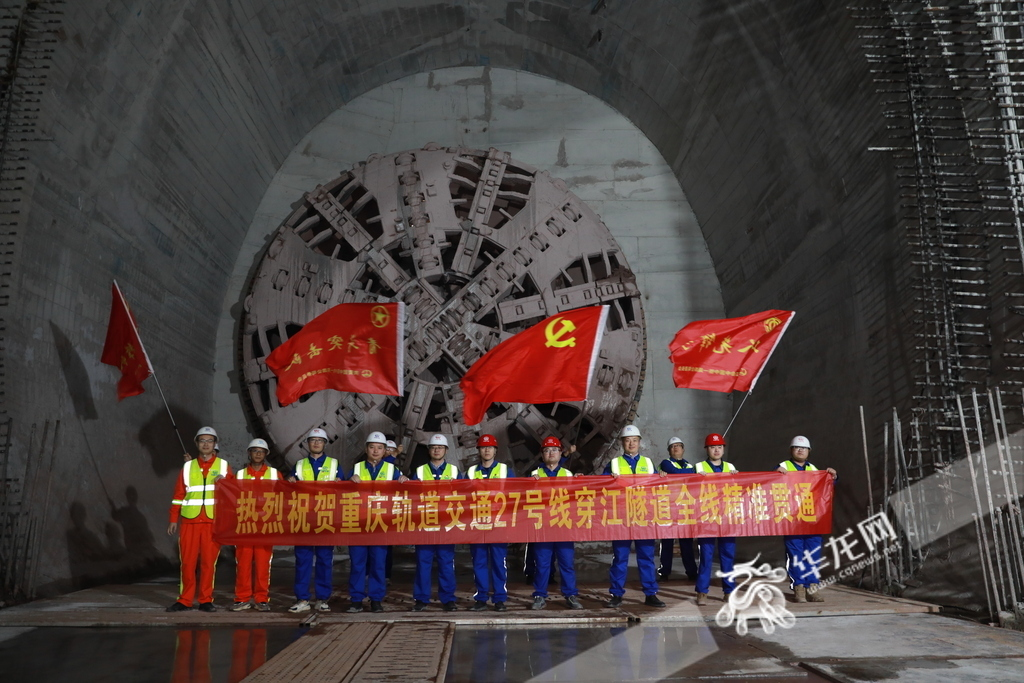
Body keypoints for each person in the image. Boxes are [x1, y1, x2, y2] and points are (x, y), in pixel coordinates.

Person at [166, 426, 231, 612]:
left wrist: (224, 482)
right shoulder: (187, 467)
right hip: (190, 522)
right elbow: (178, 495)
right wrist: (173, 519)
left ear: (215, 444)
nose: (206, 444)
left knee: (208, 563)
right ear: (197, 444)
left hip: (212, 522)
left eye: (209, 441)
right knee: (187, 562)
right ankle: (185, 600)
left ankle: (205, 600)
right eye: (202, 440)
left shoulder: (224, 466)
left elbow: (233, 494)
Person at [603, 425, 666, 608]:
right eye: (627, 440)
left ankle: (650, 594)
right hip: (621, 516)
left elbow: (656, 487)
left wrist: (661, 476)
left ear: (639, 442)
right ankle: (616, 594)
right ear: (622, 443)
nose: (631, 443)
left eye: (634, 440)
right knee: (620, 557)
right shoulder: (613, 464)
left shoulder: (648, 463)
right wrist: (609, 479)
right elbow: (601, 487)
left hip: (643, 516)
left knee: (646, 557)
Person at [346, 431, 408, 613]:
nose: (375, 450)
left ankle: (376, 599)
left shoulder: (392, 470)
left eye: (379, 448)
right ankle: (356, 600)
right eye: (372, 447)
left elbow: (405, 489)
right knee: (357, 564)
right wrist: (348, 481)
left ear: (384, 451)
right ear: (366, 449)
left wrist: (404, 480)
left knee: (378, 564)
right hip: (358, 524)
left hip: (381, 525)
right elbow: (339, 490)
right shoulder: (356, 469)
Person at [777, 435, 837, 603]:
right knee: (795, 555)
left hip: (812, 519)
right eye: (797, 447)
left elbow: (827, 488)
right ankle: (799, 588)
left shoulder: (814, 469)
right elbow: (771, 485)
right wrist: (776, 474)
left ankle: (812, 587)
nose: (800, 450)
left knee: (813, 555)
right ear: (791, 450)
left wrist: (832, 477)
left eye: (803, 448)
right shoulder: (783, 467)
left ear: (809, 451)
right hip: (793, 521)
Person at [286, 428, 340, 613]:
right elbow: (289, 490)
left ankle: (323, 599)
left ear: (325, 444)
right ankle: (302, 599)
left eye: (320, 440)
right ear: (307, 443)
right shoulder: (299, 465)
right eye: (313, 440)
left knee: (325, 560)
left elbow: (343, 488)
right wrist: (290, 481)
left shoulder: (334, 464)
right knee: (303, 561)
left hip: (326, 519)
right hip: (305, 519)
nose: (316, 443)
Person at [529, 436, 584, 610]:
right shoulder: (534, 475)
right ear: (542, 455)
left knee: (566, 563)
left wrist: (580, 482)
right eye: (547, 450)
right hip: (543, 526)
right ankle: (539, 595)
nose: (551, 453)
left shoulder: (568, 475)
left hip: (563, 525)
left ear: (560, 453)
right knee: (542, 564)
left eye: (554, 450)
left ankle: (571, 595)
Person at [411, 434, 460, 611]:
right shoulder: (419, 471)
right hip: (425, 524)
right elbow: (411, 497)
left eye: (440, 447)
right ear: (429, 450)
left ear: (446, 450)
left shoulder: (454, 472)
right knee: (423, 563)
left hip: (446, 525)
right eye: (433, 447)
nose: (437, 450)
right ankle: (421, 599)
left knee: (446, 563)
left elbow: (465, 496)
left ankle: (448, 599)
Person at [465, 434, 512, 612]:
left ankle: (500, 599)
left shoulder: (505, 470)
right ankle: (481, 598)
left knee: (499, 562)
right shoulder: (470, 472)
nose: (487, 450)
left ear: (495, 450)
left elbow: (518, 493)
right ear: (478, 450)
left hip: (498, 525)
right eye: (483, 447)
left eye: (490, 447)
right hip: (477, 524)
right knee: (479, 562)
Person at [231, 439, 278, 612]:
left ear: (266, 454)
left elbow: (285, 498)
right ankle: (242, 598)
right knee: (243, 563)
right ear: (249, 453)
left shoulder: (274, 474)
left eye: (261, 451)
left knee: (263, 563)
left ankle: (261, 599)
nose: (258, 454)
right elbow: (231, 498)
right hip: (245, 526)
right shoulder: (240, 475)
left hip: (265, 527)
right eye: (254, 451)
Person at [694, 433, 738, 606]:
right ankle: (702, 592)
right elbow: (687, 489)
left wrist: (736, 477)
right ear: (707, 449)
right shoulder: (698, 468)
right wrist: (697, 479)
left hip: (727, 518)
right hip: (706, 519)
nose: (716, 450)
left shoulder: (730, 467)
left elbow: (738, 491)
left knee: (728, 556)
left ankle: (729, 592)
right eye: (713, 447)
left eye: (719, 446)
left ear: (723, 449)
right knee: (706, 556)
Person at [658, 437, 698, 581]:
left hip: (685, 508)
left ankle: (692, 571)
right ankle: (665, 571)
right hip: (668, 506)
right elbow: (675, 473)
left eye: (678, 446)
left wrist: (688, 474)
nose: (676, 448)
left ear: (683, 449)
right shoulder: (666, 464)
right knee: (667, 541)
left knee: (686, 542)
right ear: (669, 450)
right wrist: (689, 474)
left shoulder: (689, 465)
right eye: (673, 446)